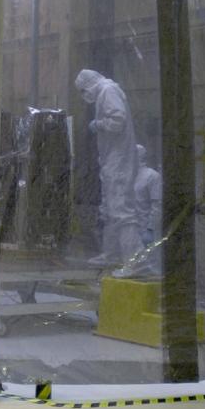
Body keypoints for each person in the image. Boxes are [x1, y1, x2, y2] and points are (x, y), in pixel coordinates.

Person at [75, 69, 140, 266]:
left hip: (119, 159)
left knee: (121, 211)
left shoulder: (107, 91)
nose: (84, 95)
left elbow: (117, 122)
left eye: (83, 91)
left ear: (89, 85)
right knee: (110, 210)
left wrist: (98, 124)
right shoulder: (106, 91)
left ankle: (135, 262)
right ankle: (112, 255)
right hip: (112, 159)